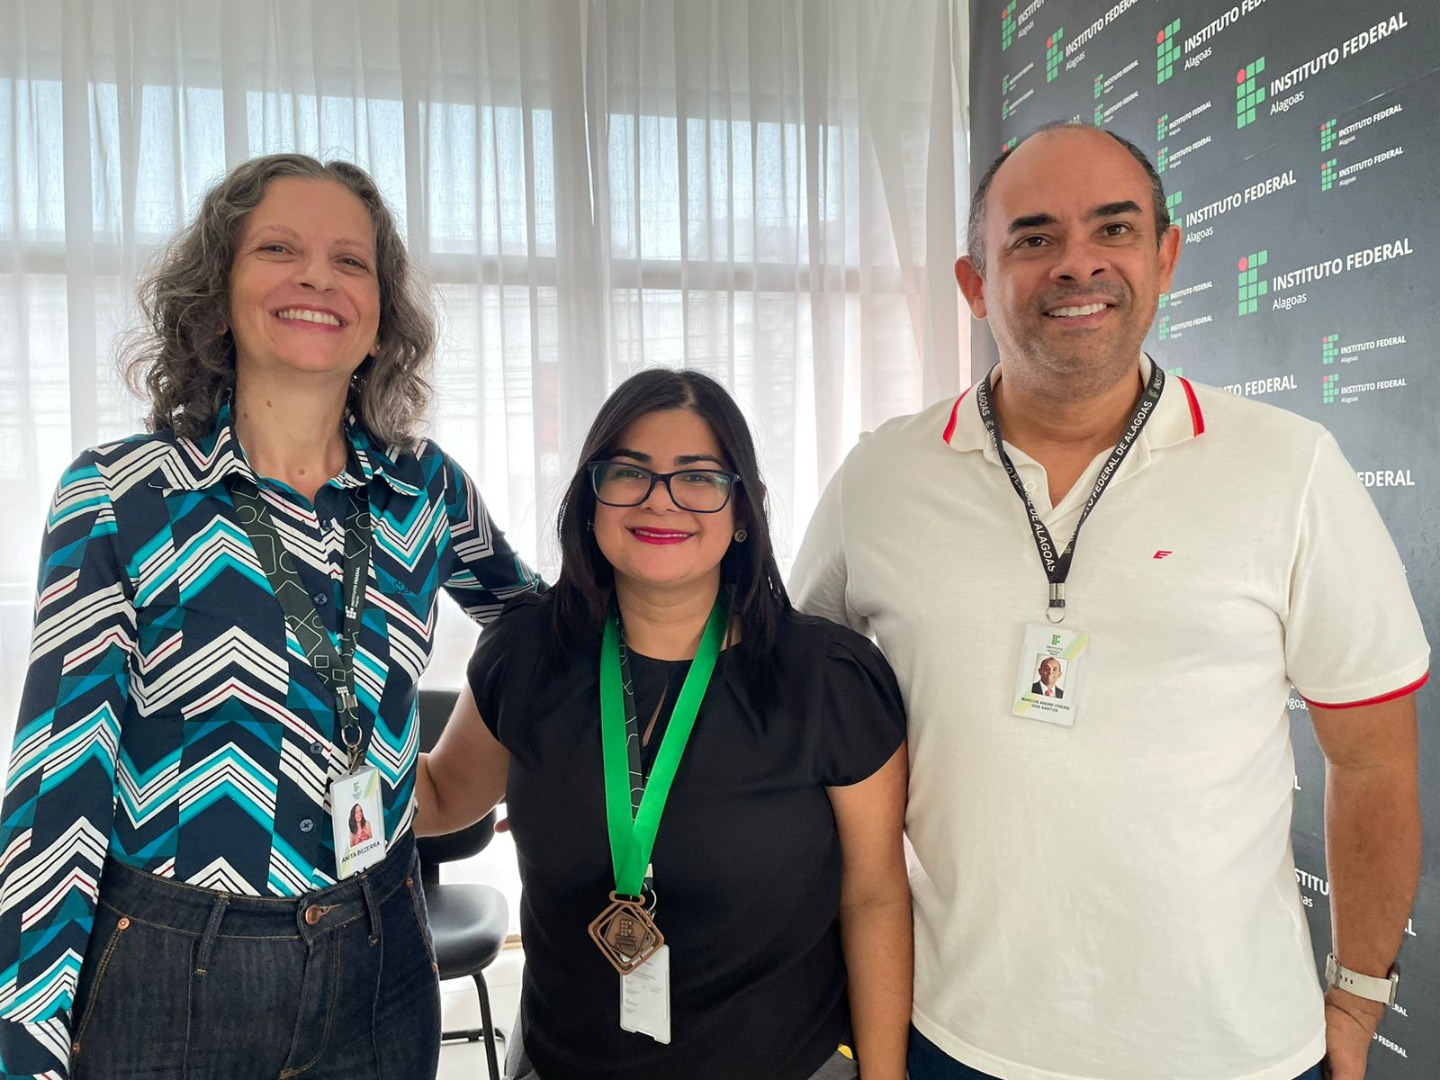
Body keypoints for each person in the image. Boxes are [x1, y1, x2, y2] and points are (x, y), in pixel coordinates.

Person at [791, 121, 1427, 1080]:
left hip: (1236, 1048)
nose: (1076, 265)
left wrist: (1357, 998)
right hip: (954, 1035)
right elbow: (789, 702)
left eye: (1115, 230)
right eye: (1034, 238)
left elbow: (1374, 763)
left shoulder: (1290, 468)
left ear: (1165, 257)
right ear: (975, 284)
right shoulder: (879, 479)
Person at [0, 154, 541, 1079]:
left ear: (381, 317)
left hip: (382, 952)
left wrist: (461, 778)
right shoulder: (121, 493)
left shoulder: (426, 490)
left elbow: (541, 628)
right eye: (278, 248)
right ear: (218, 291)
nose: (317, 278)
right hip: (178, 963)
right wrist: (26, 1050)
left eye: (351, 261)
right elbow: (62, 783)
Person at [417, 369, 911, 1080]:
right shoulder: (528, 654)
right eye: (629, 474)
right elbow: (437, 798)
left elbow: (874, 896)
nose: (661, 501)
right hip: (565, 1063)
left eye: (699, 478)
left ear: (743, 511)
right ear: (591, 499)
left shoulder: (827, 677)